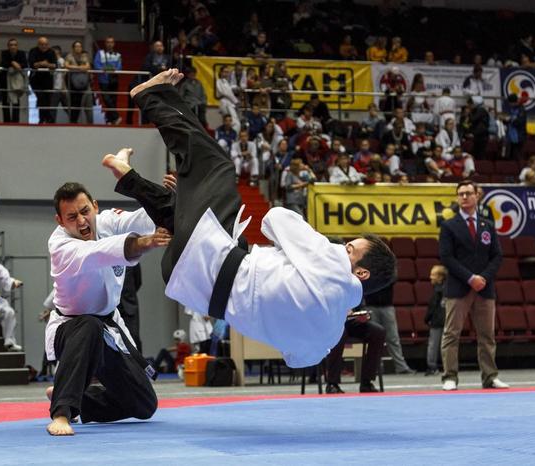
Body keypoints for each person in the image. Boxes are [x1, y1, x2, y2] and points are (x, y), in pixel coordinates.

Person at [116, 69, 396, 371]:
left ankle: (149, 96)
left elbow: (275, 218)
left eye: (352, 249)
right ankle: (129, 176)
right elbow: (299, 360)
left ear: (362, 273)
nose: (344, 247)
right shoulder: (331, 331)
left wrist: (309, 252)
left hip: (212, 260)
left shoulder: (333, 264)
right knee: (182, 211)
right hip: (189, 282)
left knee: (217, 165)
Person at [44, 181, 167, 436]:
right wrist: (145, 243)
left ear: (95, 207)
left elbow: (141, 219)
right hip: (71, 330)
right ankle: (62, 412)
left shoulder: (108, 221)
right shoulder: (60, 246)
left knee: (145, 404)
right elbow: (98, 252)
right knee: (89, 324)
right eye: (71, 217)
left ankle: (83, 402)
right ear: (60, 221)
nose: (81, 221)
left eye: (85, 211)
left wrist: (166, 198)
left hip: (109, 328)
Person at [439, 180, 507, 391]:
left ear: (477, 196)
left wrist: (483, 278)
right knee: (452, 334)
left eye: (469, 193)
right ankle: (450, 376)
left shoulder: (488, 224)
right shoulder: (449, 226)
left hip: (484, 288)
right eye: (461, 194)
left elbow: (497, 256)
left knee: (487, 335)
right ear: (457, 197)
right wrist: (470, 278)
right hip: (459, 287)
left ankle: (490, 376)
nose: (465, 197)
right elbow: (447, 257)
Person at [324, 310, 386, 393]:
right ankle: (332, 383)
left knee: (378, 331)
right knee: (339, 334)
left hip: (352, 321)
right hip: (333, 322)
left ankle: (366, 382)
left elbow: (361, 306)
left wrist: (365, 316)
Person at [362, 283, 416, 374]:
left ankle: (401, 367)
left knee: (393, 337)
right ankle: (374, 368)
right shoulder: (368, 269)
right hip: (370, 304)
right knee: (373, 338)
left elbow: (391, 278)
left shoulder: (387, 270)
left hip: (386, 304)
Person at [92, 36, 122, 125]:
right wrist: (106, 69)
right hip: (103, 80)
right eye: (108, 42)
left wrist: (109, 68)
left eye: (111, 42)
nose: (109, 44)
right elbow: (96, 65)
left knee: (113, 100)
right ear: (105, 43)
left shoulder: (118, 55)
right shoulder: (99, 53)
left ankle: (110, 120)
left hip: (114, 80)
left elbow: (119, 68)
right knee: (106, 99)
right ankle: (116, 116)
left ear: (114, 44)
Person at [28, 37, 57, 124]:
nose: (44, 46)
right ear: (38, 44)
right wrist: (43, 63)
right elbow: (32, 65)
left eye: (46, 44)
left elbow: (55, 65)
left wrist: (45, 64)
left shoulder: (51, 52)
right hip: (35, 80)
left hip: (48, 80)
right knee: (41, 98)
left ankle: (43, 119)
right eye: (42, 44)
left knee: (47, 100)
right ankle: (47, 117)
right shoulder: (33, 51)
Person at [425, 264, 446, 376]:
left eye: (433, 275)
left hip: (437, 322)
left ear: (441, 277)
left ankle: (432, 366)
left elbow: (432, 308)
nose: (430, 277)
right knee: (444, 345)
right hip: (445, 321)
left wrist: (427, 319)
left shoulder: (438, 292)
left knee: (433, 345)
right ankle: (446, 367)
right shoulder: (445, 290)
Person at [0, 38, 28, 123]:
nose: (13, 46)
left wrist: (17, 65)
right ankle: (6, 121)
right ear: (8, 46)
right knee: (5, 102)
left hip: (17, 82)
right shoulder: (4, 53)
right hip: (5, 80)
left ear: (17, 46)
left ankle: (16, 121)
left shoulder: (21, 53)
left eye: (15, 45)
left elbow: (25, 64)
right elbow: (2, 63)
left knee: (16, 101)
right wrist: (12, 63)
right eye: (11, 45)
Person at [64, 41, 92, 124]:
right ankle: (73, 123)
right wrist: (80, 68)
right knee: (74, 107)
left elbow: (87, 67)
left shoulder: (84, 56)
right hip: (73, 87)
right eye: (76, 46)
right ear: (73, 48)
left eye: (80, 46)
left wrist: (75, 68)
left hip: (84, 85)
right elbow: (67, 65)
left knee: (88, 108)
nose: (78, 48)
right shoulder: (69, 56)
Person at [116, 264, 143, 350]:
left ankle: (138, 363)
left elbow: (138, 281)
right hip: (111, 308)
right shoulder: (106, 258)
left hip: (129, 306)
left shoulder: (132, 258)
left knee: (134, 338)